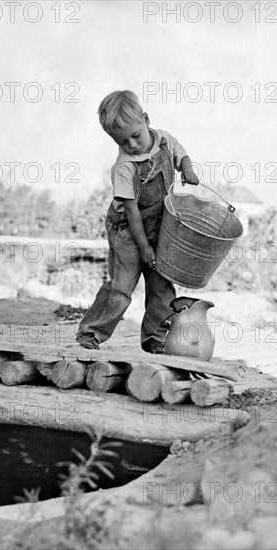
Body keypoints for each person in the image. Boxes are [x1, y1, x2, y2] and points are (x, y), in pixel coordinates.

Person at [76, 90, 198, 354]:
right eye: (122, 141)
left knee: (161, 283)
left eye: (135, 135)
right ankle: (91, 332)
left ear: (146, 119)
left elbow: (181, 153)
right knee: (122, 286)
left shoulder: (164, 140)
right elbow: (131, 211)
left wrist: (187, 167)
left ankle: (155, 337)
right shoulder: (124, 167)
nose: (131, 145)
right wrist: (144, 247)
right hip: (128, 231)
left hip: (161, 225)